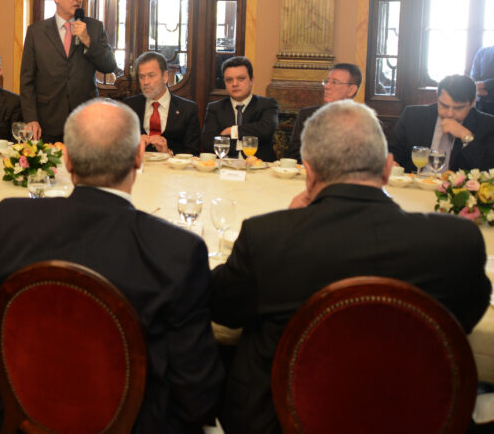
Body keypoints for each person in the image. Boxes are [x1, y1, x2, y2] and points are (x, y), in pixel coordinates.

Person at [211, 100, 491, 434]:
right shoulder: (457, 243)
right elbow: (467, 316)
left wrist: (291, 221)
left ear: (309, 171)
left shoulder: (268, 238)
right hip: (417, 418)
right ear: (388, 168)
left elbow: (221, 307)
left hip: (283, 420)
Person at [0, 99, 222, 433]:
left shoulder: (10, 220)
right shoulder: (175, 252)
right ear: (140, 158)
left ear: (65, 159)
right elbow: (198, 391)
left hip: (21, 417)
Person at [19, 0, 118, 143]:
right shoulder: (36, 32)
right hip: (48, 120)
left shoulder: (94, 27)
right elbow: (27, 80)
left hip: (85, 119)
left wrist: (87, 40)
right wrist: (31, 118)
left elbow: (109, 65)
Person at [389, 73, 494, 173]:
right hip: (412, 185)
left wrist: (466, 136)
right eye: (444, 105)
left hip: (454, 190)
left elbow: (488, 169)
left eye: (458, 108)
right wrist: (392, 163)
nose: (449, 113)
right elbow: (391, 152)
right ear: (437, 97)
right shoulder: (413, 116)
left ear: (473, 102)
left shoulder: (487, 124)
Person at [121, 50, 200, 155]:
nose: (145, 82)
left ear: (165, 77)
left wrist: (168, 152)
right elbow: (118, 147)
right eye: (141, 77)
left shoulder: (188, 109)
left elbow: (193, 152)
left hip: (172, 169)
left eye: (151, 75)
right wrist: (134, 145)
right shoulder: (129, 106)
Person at [200, 56, 278, 161]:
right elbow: (208, 142)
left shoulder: (267, 104)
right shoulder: (215, 108)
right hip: (225, 167)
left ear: (252, 80)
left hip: (259, 167)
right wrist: (244, 142)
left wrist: (233, 131)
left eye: (241, 79)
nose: (235, 84)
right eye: (229, 80)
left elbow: (266, 129)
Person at [283, 62, 361, 161]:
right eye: (327, 81)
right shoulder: (307, 115)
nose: (327, 86)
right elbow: (293, 154)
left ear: (351, 90)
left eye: (334, 82)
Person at [470, 44, 494, 114]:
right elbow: (474, 75)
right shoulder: (482, 51)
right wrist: (477, 90)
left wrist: (485, 85)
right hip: (480, 103)